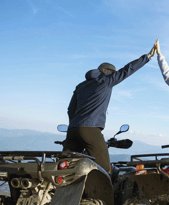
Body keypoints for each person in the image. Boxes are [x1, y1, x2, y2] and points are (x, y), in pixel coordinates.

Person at [63, 42, 157, 174]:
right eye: (113, 72)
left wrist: (76, 123)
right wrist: (147, 56)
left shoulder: (80, 86)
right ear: (105, 71)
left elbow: (70, 109)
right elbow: (127, 69)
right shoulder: (106, 81)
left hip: (72, 130)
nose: (114, 74)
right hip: (90, 130)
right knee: (105, 170)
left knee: (66, 168)